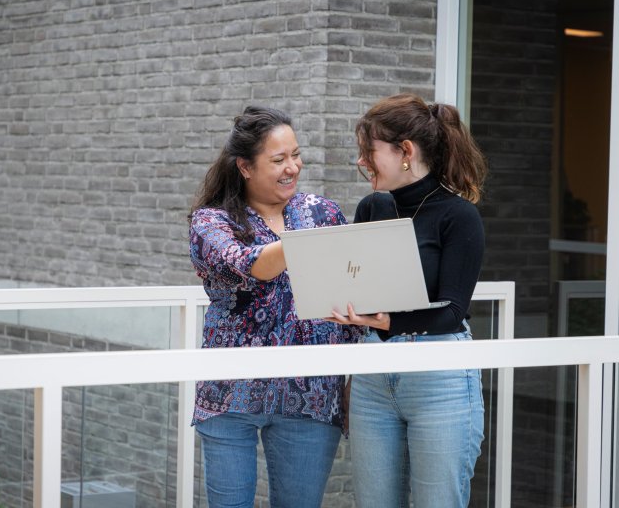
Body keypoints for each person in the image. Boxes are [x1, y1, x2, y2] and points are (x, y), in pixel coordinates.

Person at [188, 105, 358, 508]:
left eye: (296, 155)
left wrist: (352, 378)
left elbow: (349, 292)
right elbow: (252, 265)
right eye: (279, 159)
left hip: (312, 394)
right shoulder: (211, 222)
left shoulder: (323, 212)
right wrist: (312, 240)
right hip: (231, 393)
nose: (292, 168)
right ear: (245, 167)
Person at [328, 93, 488, 508]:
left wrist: (386, 322)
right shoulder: (372, 208)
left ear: (406, 152)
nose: (362, 162)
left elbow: (452, 312)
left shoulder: (458, 215)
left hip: (440, 378)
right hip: (374, 379)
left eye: (369, 151)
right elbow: (362, 286)